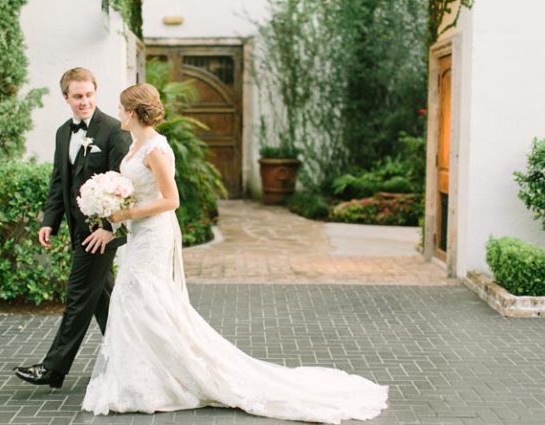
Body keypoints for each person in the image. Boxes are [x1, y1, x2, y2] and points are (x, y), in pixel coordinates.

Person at [81, 83, 389, 424]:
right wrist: (115, 202)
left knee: (144, 298)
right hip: (139, 233)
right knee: (136, 300)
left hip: (153, 234)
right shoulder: (135, 145)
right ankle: (144, 375)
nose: (119, 113)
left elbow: (172, 200)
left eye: (123, 108)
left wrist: (125, 214)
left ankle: (172, 376)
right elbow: (138, 192)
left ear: (135, 112)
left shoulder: (155, 148)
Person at [13, 67, 131, 388]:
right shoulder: (63, 132)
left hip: (102, 234)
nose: (84, 102)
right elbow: (58, 181)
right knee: (103, 299)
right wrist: (49, 221)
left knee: (78, 296)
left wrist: (110, 227)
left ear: (96, 93)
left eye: (89, 95)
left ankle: (53, 369)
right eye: (77, 96)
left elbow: (124, 186)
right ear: (65, 97)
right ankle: (131, 359)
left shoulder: (114, 130)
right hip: (79, 231)